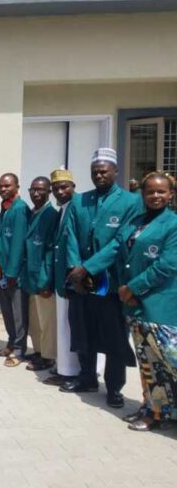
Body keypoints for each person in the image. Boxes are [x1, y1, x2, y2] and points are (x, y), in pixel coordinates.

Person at [63, 147, 142, 408]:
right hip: (80, 281)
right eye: (95, 171)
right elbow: (70, 235)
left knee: (113, 337)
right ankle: (86, 377)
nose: (99, 175)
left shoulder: (131, 202)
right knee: (83, 330)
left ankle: (114, 388)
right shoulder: (79, 201)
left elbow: (121, 241)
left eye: (104, 171)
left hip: (110, 282)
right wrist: (76, 268)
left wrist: (89, 268)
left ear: (115, 172)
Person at [107, 172, 177, 430]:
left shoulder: (173, 224)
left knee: (171, 361)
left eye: (161, 191)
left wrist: (132, 287)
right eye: (150, 192)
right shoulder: (136, 222)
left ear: (171, 195)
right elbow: (118, 251)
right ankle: (154, 411)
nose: (156, 196)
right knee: (149, 364)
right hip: (136, 307)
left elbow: (167, 265)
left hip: (162, 307)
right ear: (143, 194)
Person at [43, 168, 81, 387]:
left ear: (73, 187)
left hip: (71, 279)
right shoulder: (62, 210)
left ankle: (72, 372)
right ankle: (65, 368)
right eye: (56, 188)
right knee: (63, 326)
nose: (60, 191)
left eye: (64, 187)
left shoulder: (76, 209)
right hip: (60, 280)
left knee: (70, 326)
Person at [22, 177, 59, 372]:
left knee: (46, 321)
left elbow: (50, 251)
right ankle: (37, 351)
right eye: (33, 190)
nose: (36, 193)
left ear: (49, 192)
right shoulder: (33, 212)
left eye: (41, 190)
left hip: (42, 277)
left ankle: (48, 356)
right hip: (30, 276)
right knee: (35, 320)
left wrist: (46, 281)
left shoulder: (50, 215)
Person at [0, 173, 30, 367]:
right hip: (2, 271)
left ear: (17, 186)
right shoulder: (6, 207)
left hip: (13, 273)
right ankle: (10, 342)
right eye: (0, 186)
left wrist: (12, 273)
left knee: (18, 314)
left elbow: (18, 243)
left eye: (7, 186)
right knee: (7, 312)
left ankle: (19, 349)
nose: (3, 189)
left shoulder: (20, 209)